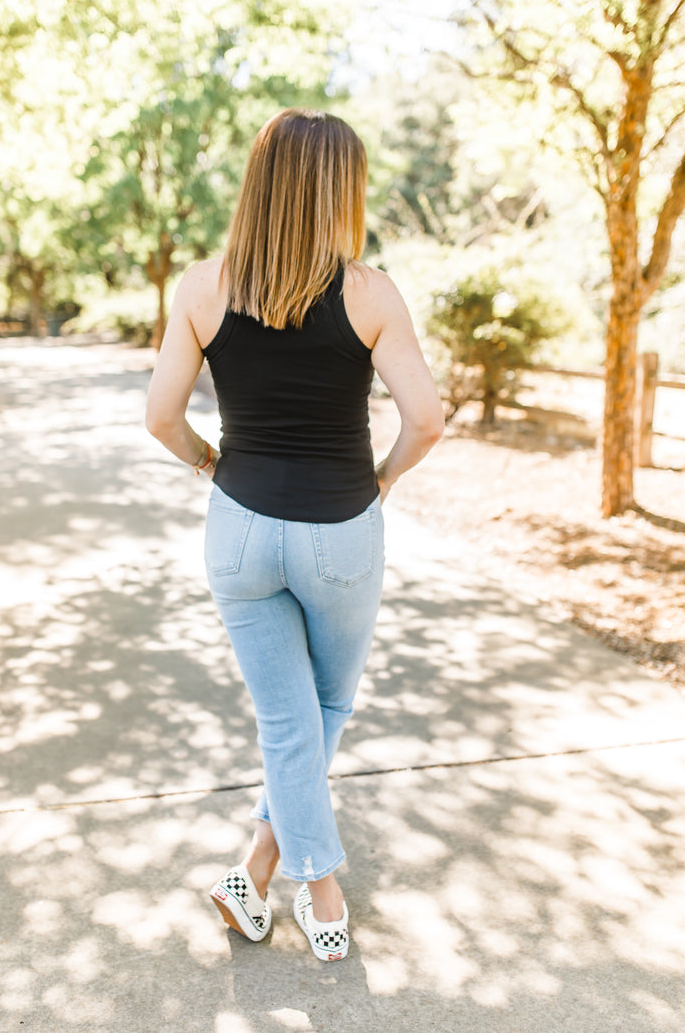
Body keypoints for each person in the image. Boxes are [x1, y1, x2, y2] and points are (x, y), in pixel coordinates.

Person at [146, 107, 444, 962]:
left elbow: (161, 417)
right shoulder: (371, 292)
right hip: (339, 530)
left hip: (238, 529)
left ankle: (251, 874)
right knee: (323, 708)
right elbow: (426, 421)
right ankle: (322, 889)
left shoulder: (204, 286)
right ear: (339, 189)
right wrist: (382, 477)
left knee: (288, 721)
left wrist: (210, 463)